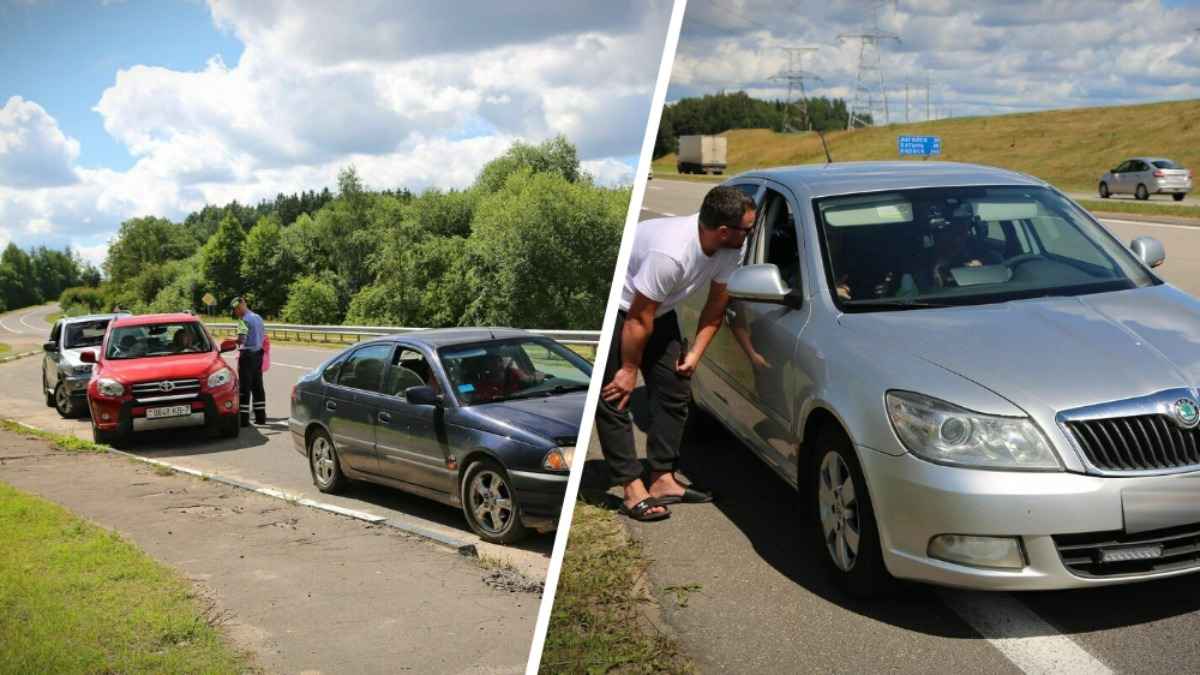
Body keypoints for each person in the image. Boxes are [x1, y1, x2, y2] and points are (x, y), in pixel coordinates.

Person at [597, 186, 755, 521]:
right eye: (748, 229)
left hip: (660, 311)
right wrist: (628, 368)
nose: (751, 234)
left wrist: (695, 354)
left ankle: (662, 479)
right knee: (615, 395)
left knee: (674, 387)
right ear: (724, 230)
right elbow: (639, 317)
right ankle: (630, 487)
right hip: (623, 309)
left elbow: (715, 307)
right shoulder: (670, 254)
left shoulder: (730, 248)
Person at [230, 296, 267, 426]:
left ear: (239, 307)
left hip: (247, 356)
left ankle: (244, 420)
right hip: (258, 355)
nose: (235, 313)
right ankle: (261, 418)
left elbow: (242, 340)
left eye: (235, 310)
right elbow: (263, 336)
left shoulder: (243, 321)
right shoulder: (258, 317)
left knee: (244, 388)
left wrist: (230, 340)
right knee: (258, 387)